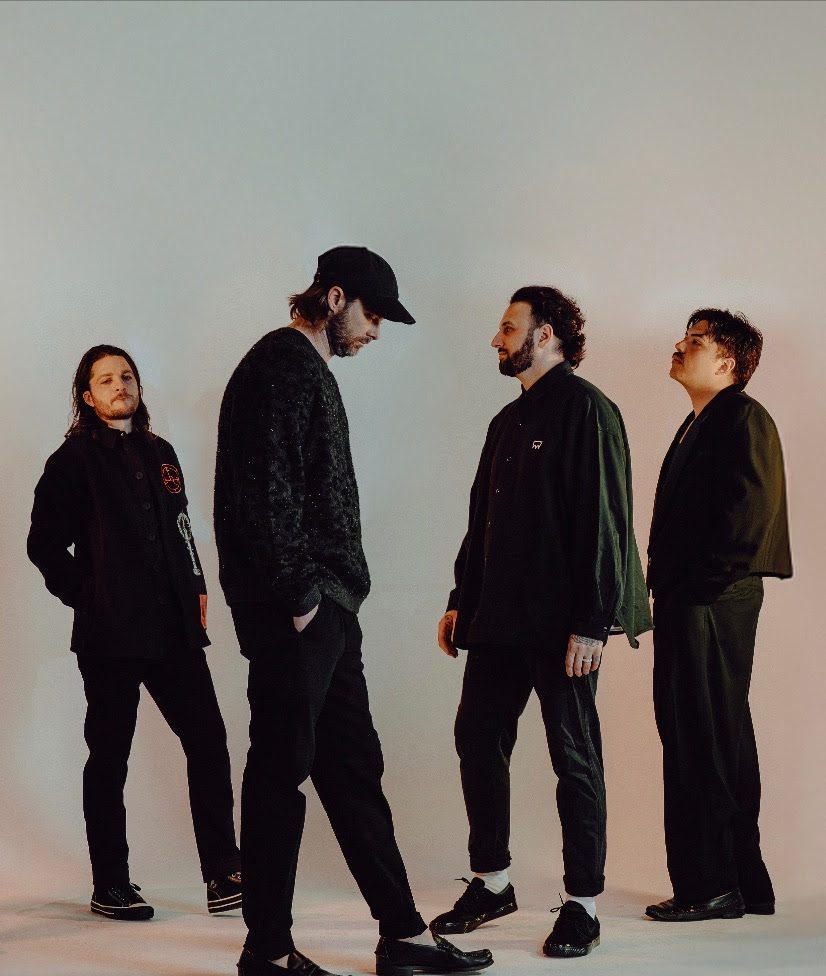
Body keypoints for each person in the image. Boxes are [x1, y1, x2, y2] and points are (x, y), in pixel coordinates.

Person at [214, 246, 493, 976]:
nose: (375, 332)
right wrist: (299, 596)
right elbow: (264, 490)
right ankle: (267, 951)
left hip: (327, 606)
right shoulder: (279, 365)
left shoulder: (307, 371)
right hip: (299, 609)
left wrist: (323, 600)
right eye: (373, 315)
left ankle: (403, 935)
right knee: (280, 770)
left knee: (352, 770)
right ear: (334, 298)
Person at [430, 286, 651, 959]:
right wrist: (461, 599)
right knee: (476, 739)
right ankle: (492, 882)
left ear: (546, 333)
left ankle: (583, 904)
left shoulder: (588, 409)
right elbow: (482, 520)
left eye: (508, 328)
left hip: (563, 628)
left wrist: (593, 623)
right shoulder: (506, 419)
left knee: (573, 758)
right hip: (497, 619)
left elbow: (607, 521)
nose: (496, 340)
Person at [27, 345, 242, 921]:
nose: (119, 385)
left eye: (126, 376)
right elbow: (42, 544)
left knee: (208, 740)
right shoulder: (72, 461)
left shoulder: (160, 452)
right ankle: (111, 884)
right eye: (105, 379)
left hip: (174, 629)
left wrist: (197, 587)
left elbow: (182, 527)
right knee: (110, 757)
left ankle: (224, 871)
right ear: (87, 396)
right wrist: (90, 596)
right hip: (110, 638)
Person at [645, 310, 791, 922]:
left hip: (711, 598)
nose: (680, 346)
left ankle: (711, 887)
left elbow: (749, 514)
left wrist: (696, 589)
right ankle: (741, 882)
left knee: (700, 733)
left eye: (696, 341)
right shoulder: (702, 421)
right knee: (713, 731)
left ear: (727, 363)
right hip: (697, 597)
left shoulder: (743, 417)